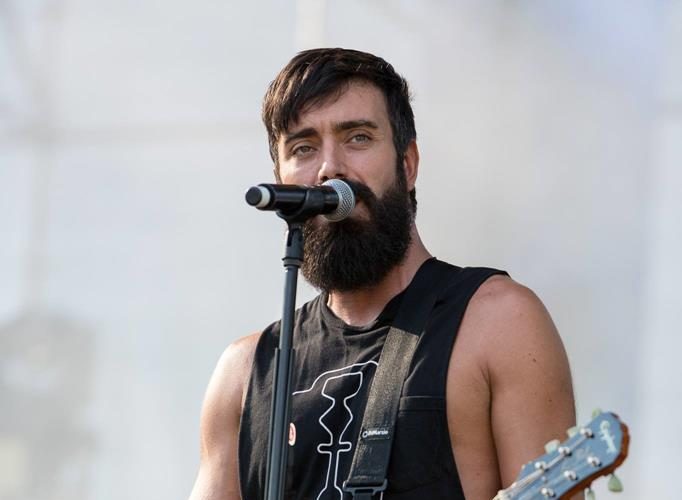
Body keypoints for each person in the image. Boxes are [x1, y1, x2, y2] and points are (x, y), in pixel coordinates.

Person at [189, 48, 576, 500]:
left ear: (407, 165)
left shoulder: (499, 321)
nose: (329, 169)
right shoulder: (244, 373)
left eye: (357, 138)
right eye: (303, 147)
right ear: (281, 178)